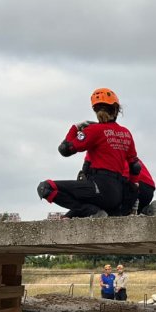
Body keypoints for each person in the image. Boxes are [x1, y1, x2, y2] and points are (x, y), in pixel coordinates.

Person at [37, 87, 140, 218]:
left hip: (98, 187)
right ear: (116, 109)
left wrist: (75, 128)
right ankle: (96, 211)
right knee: (80, 201)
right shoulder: (126, 133)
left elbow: (65, 150)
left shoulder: (94, 130)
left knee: (46, 187)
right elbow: (135, 168)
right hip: (117, 194)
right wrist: (130, 199)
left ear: (95, 110)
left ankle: (91, 211)